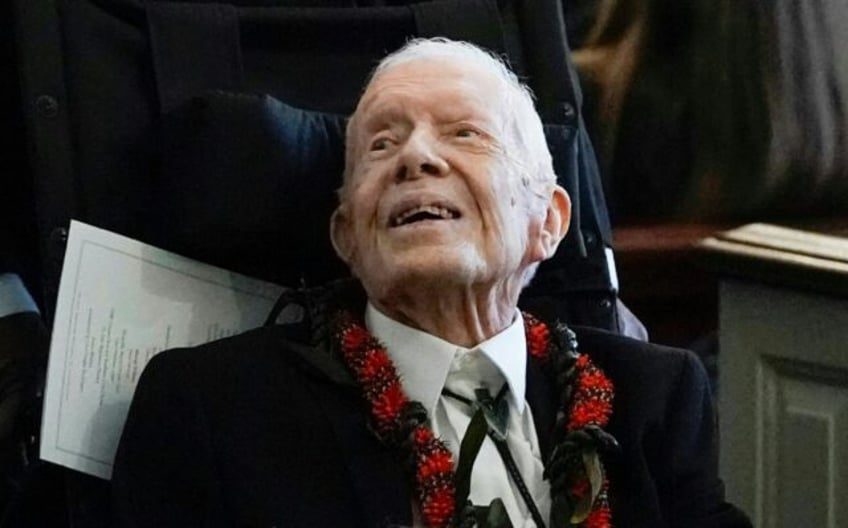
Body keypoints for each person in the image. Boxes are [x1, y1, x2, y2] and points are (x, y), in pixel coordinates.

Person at [111, 38, 751, 528]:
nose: (417, 157)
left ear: (548, 222)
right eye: (381, 146)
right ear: (346, 236)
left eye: (464, 133)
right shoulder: (214, 408)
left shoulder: (654, 397)